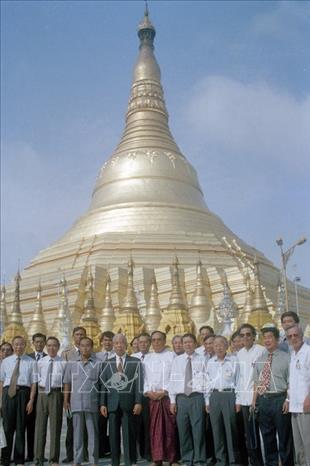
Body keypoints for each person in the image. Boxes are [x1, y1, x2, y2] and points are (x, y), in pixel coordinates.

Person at [252, 324, 294, 466]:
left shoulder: (287, 358)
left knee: (284, 437)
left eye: (270, 337)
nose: (267, 340)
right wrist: (254, 402)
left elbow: (291, 381)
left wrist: (288, 400)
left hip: (280, 399)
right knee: (267, 436)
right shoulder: (259, 359)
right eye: (265, 338)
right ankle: (271, 463)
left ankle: (287, 463)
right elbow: (256, 383)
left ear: (277, 339)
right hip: (264, 401)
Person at [100, 334, 143, 466]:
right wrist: (103, 403)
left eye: (122, 343)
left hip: (129, 404)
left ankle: (130, 461)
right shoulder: (107, 363)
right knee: (113, 435)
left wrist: (138, 401)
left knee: (129, 434)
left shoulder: (135, 362)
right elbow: (104, 385)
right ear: (113, 345)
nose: (119, 345)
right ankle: (115, 462)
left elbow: (138, 384)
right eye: (116, 343)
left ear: (126, 345)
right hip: (112, 405)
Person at [169, 333, 207, 466]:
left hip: (197, 397)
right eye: (185, 342)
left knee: (198, 430)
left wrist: (206, 401)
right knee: (183, 430)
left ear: (195, 344)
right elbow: (172, 381)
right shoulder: (177, 360)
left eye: (190, 342)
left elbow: (207, 381)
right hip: (181, 399)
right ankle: (187, 459)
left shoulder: (203, 359)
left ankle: (199, 460)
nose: (187, 344)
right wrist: (172, 401)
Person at [0, 335, 37, 466]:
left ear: (25, 345)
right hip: (7, 394)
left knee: (21, 427)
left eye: (21, 344)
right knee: (7, 428)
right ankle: (5, 459)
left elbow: (33, 383)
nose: (18, 347)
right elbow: (2, 381)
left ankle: (19, 459)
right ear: (13, 345)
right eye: (16, 344)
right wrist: (1, 401)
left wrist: (31, 400)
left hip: (23, 394)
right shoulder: (6, 361)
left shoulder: (31, 362)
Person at [64, 337, 101, 466]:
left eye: (88, 345)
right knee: (77, 434)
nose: (85, 348)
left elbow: (102, 385)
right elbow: (67, 383)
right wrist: (66, 400)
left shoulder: (98, 363)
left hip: (92, 403)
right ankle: (77, 460)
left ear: (92, 347)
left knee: (93, 434)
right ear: (78, 347)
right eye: (82, 345)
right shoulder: (72, 363)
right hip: (76, 404)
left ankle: (93, 460)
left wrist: (102, 404)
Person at [143, 331, 178, 466]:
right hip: (152, 398)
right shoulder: (148, 358)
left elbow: (175, 376)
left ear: (164, 341)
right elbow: (144, 378)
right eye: (154, 340)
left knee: (169, 429)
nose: (156, 342)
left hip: (167, 397)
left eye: (159, 340)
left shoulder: (171, 356)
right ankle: (157, 459)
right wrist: (148, 392)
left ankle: (172, 458)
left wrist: (164, 391)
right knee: (155, 429)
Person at [206, 335, 241, 466]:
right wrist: (207, 401)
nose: (218, 347)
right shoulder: (210, 362)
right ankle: (221, 460)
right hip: (214, 396)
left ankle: (233, 460)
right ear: (213, 347)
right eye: (216, 345)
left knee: (230, 428)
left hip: (229, 395)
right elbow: (207, 382)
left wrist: (238, 400)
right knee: (216, 429)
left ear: (227, 346)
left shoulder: (233, 360)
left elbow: (238, 380)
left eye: (221, 344)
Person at [34, 336, 66, 466]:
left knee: (55, 427)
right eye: (49, 345)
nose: (51, 348)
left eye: (54, 345)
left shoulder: (63, 362)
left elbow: (66, 382)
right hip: (42, 394)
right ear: (46, 347)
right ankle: (38, 459)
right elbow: (36, 380)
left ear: (58, 348)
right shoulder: (41, 362)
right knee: (40, 428)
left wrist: (65, 399)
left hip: (57, 394)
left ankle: (53, 459)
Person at [237, 324, 264, 466]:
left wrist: (256, 398)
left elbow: (262, 377)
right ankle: (255, 462)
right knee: (250, 435)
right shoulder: (239, 354)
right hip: (245, 401)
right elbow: (239, 379)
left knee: (263, 433)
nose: (246, 337)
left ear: (254, 336)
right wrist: (239, 400)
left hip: (258, 399)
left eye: (248, 334)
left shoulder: (261, 351)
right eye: (242, 335)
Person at [61, 326, 87, 464]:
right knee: (71, 426)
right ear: (73, 336)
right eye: (77, 334)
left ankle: (86, 454)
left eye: (82, 334)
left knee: (87, 426)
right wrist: (66, 398)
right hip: (72, 394)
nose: (79, 336)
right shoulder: (66, 354)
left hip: (87, 394)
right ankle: (70, 454)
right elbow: (65, 377)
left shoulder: (91, 353)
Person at [286, 324, 310, 465]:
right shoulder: (293, 355)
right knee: (299, 446)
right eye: (290, 336)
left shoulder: (308, 351)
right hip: (294, 406)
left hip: (306, 405)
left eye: (296, 335)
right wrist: (288, 399)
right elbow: (292, 380)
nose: (293, 338)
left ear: (302, 336)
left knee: (308, 443)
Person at [26, 333, 47, 462]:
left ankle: (40, 454)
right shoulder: (27, 358)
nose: (39, 344)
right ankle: (29, 454)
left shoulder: (48, 357)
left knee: (42, 426)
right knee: (30, 425)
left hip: (44, 395)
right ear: (33, 343)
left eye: (41, 342)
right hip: (29, 395)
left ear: (44, 343)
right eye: (37, 342)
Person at [132, 333, 152, 461]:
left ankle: (149, 452)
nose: (143, 344)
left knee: (148, 425)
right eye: (141, 342)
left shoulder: (153, 357)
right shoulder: (132, 358)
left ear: (149, 344)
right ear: (137, 344)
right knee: (136, 426)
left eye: (146, 342)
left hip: (148, 396)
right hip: (134, 396)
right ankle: (137, 453)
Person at [96, 330, 114, 458]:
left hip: (113, 394)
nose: (107, 342)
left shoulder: (118, 356)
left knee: (113, 425)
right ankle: (101, 449)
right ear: (101, 342)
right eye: (105, 340)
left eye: (110, 340)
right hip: (99, 394)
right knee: (100, 424)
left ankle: (113, 449)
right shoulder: (96, 357)